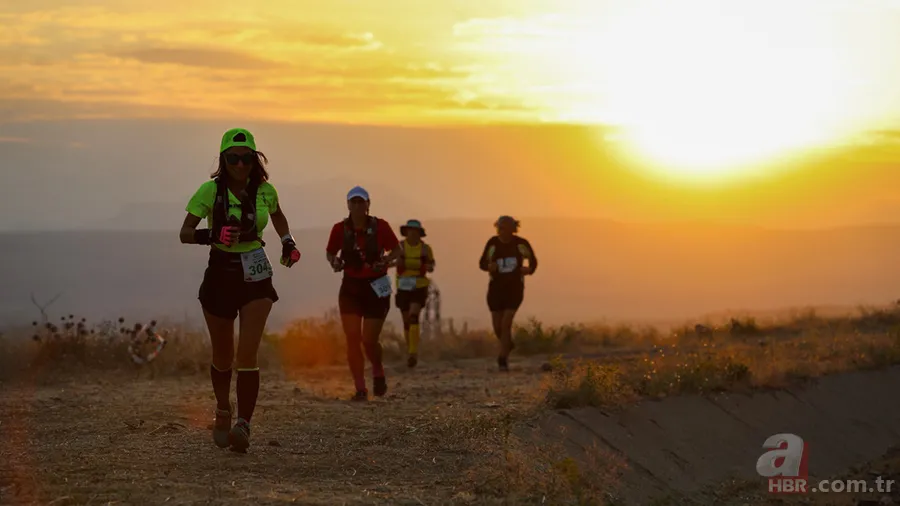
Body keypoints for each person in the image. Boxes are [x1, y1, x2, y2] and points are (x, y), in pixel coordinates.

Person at [179, 127, 301, 453]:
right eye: (233, 158)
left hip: (255, 274)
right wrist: (213, 236)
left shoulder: (265, 191)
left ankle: (244, 424)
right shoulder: (209, 191)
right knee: (223, 356)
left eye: (246, 158)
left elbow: (277, 216)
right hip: (220, 273)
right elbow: (185, 233)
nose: (240, 164)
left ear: (254, 158)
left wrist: (287, 242)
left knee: (247, 354)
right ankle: (223, 408)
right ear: (223, 159)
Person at [326, 186, 402, 400]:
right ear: (348, 205)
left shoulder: (381, 227)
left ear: (368, 204)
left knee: (369, 339)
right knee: (352, 338)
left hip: (376, 287)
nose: (358, 206)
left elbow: (397, 250)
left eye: (362, 202)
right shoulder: (339, 229)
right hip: (351, 287)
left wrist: (385, 260)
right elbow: (330, 252)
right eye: (354, 202)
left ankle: (377, 369)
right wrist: (335, 262)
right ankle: (360, 388)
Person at [478, 215, 538, 372]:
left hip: (514, 288)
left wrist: (528, 270)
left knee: (506, 323)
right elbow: (482, 263)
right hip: (496, 289)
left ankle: (503, 358)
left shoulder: (521, 244)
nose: (501, 230)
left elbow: (533, 261)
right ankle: (507, 344)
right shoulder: (493, 243)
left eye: (505, 228)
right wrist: (489, 267)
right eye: (499, 227)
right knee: (497, 326)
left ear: (513, 229)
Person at [393, 219, 435, 368]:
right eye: (410, 230)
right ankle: (410, 348)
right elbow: (390, 260)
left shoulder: (425, 249)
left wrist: (425, 266)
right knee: (406, 321)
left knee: (413, 316)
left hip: (419, 286)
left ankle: (412, 353)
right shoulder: (400, 247)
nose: (412, 233)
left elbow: (431, 266)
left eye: (415, 231)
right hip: (403, 286)